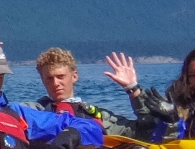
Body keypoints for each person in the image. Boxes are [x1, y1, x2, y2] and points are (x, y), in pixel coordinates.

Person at [31, 48, 170, 138]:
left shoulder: (95, 115)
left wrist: (133, 90)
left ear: (74, 76)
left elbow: (145, 131)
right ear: (42, 80)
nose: (55, 83)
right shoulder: (33, 111)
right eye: (49, 78)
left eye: (61, 77)